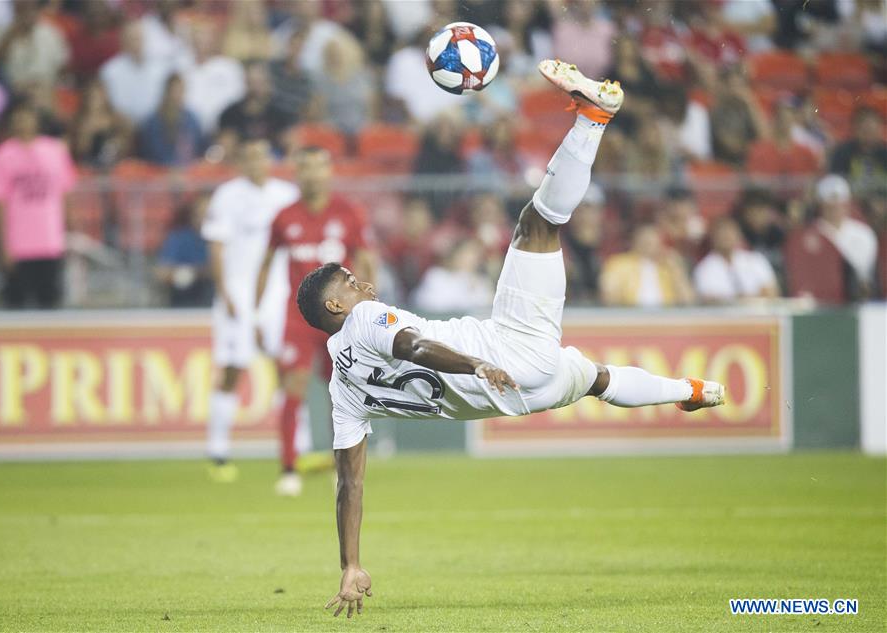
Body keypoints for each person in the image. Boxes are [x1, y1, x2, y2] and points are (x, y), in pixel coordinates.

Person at [292, 61, 725, 616]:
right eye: (350, 283)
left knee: (596, 379)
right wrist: (474, 364)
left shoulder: (342, 388)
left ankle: (690, 391)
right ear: (335, 306)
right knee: (535, 224)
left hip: (523, 396)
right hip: (507, 352)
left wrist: (350, 564)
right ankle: (594, 117)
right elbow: (416, 348)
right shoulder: (364, 319)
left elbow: (348, 483)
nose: (362, 282)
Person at [255, 147, 377, 497]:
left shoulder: (348, 212)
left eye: (318, 167)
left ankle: (342, 464)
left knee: (341, 391)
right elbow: (265, 264)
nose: (312, 174)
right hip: (297, 318)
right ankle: (289, 467)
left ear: (328, 172)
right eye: (305, 167)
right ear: (297, 173)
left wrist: (371, 306)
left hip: (340, 321)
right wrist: (255, 312)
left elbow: (367, 260)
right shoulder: (284, 217)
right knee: (293, 387)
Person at [201, 138, 300, 483]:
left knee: (287, 366)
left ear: (269, 160)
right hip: (238, 292)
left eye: (261, 156)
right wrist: (224, 291)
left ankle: (296, 448)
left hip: (278, 293)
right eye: (249, 157)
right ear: (241, 162)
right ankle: (218, 450)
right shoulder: (227, 196)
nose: (255, 163)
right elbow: (216, 245)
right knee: (232, 368)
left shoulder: (286, 195)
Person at [0, 100, 76, 309]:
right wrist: (3, 244)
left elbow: (65, 195)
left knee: (51, 304)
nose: (23, 122)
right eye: (18, 118)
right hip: (18, 244)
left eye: (27, 117)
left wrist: (68, 233)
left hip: (50, 241)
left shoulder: (55, 151)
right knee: (16, 305)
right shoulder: (3, 154)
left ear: (36, 119)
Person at [693, 217, 779, 304]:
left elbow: (771, 293)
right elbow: (708, 300)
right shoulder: (704, 268)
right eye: (721, 233)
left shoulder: (756, 260)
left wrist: (740, 300)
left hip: (760, 314)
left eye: (730, 232)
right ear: (713, 237)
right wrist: (743, 299)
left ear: (739, 235)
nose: (726, 237)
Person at [155, 195, 213, 308]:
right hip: (184, 302)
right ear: (192, 216)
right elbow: (162, 273)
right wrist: (187, 273)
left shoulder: (225, 241)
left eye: (209, 215)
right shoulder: (179, 238)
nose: (204, 219)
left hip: (215, 301)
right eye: (200, 215)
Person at [137, 74, 205, 167]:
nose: (177, 95)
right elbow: (150, 153)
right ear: (167, 92)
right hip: (158, 172)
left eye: (181, 91)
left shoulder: (192, 119)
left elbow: (199, 149)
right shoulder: (153, 122)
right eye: (174, 91)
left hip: (188, 172)